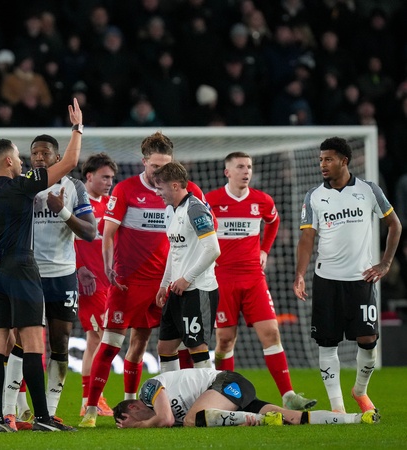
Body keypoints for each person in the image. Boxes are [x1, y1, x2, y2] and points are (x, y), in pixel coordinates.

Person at [0, 98, 84, 433]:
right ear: (9, 161)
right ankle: (42, 418)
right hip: (22, 269)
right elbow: (70, 161)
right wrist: (77, 128)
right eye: (20, 158)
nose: (24, 162)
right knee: (33, 344)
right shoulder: (23, 185)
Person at [80, 131, 212, 428]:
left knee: (145, 344)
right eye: (154, 167)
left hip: (166, 283)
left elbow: (203, 234)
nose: (159, 172)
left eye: (165, 166)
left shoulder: (187, 191)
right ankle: (90, 408)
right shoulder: (126, 189)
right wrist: (108, 268)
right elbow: (108, 234)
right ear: (144, 162)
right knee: (110, 343)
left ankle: (134, 403)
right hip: (127, 282)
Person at [293, 137, 402, 413]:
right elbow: (307, 238)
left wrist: (385, 263)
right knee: (327, 342)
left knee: (368, 341)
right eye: (321, 160)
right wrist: (300, 274)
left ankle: (360, 391)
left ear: (344, 160)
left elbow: (395, 225)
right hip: (326, 280)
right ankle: (337, 407)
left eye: (328, 159)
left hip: (361, 279)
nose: (322, 164)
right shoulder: (314, 196)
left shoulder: (368, 190)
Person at [206, 152, 317, 410]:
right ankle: (225, 396)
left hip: (254, 278)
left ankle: (288, 395)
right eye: (240, 167)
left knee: (271, 332)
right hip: (222, 278)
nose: (246, 171)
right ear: (227, 172)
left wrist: (264, 249)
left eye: (249, 166)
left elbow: (274, 221)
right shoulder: (211, 201)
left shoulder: (262, 200)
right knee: (225, 339)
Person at [2, 133, 96, 428]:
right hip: (29, 273)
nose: (39, 158)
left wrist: (63, 211)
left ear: (58, 158)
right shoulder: (23, 185)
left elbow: (90, 232)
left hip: (63, 275)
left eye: (45, 153)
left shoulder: (74, 187)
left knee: (60, 342)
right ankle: (12, 409)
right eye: (35, 153)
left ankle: (50, 410)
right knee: (22, 341)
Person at [113, 369, 380, 428]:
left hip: (228, 382)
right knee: (295, 419)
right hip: (230, 397)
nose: (129, 425)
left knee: (194, 419)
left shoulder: (148, 389)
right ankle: (358, 418)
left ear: (133, 406)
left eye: (126, 420)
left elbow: (166, 419)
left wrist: (138, 425)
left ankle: (258, 420)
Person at [153, 162, 220, 370]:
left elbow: (213, 249)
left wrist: (187, 278)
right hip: (177, 289)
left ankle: (210, 391)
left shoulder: (195, 209)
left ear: (175, 185)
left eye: (160, 187)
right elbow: (175, 251)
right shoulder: (172, 211)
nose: (157, 193)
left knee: (197, 348)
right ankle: (173, 391)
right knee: (165, 347)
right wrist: (164, 284)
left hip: (198, 289)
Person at [75, 153, 118, 417]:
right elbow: (66, 240)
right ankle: (90, 399)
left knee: (100, 339)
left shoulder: (111, 204)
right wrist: (79, 268)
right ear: (89, 176)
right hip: (89, 284)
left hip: (109, 283)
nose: (109, 182)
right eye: (105, 177)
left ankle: (91, 398)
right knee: (97, 338)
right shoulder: (78, 203)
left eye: (112, 178)